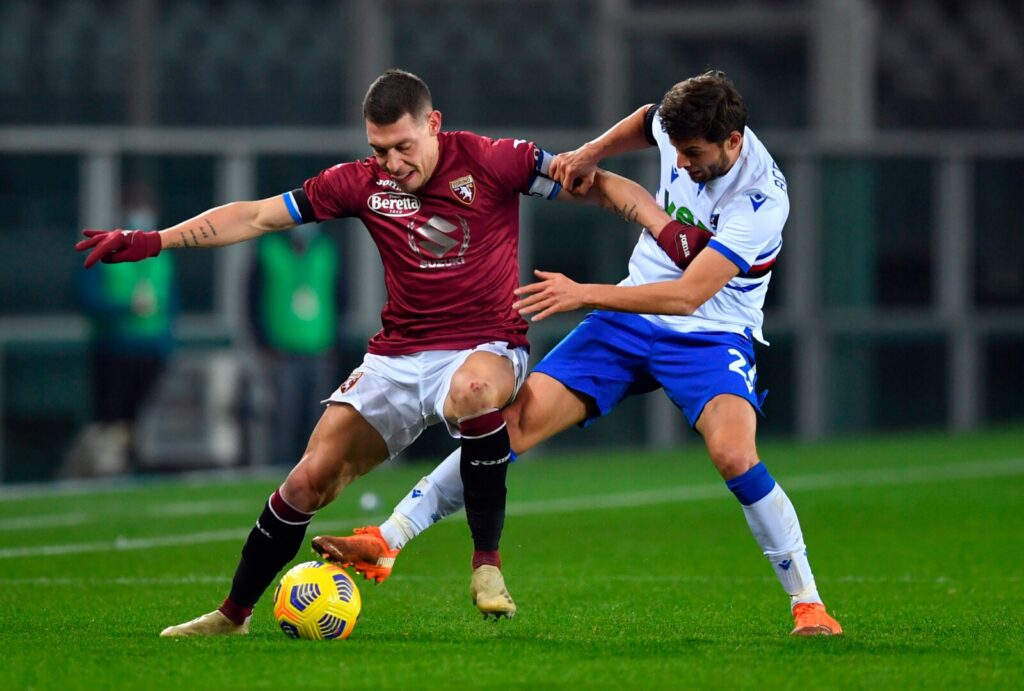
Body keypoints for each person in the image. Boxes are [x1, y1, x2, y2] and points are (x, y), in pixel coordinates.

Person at [75, 69, 674, 633]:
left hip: (485, 345)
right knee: (307, 482)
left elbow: (599, 185)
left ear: (433, 124)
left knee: (473, 393)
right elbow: (256, 217)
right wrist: (153, 240)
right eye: (379, 149)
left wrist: (666, 230)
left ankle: (486, 563)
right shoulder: (360, 182)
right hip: (397, 357)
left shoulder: (492, 160)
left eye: (403, 147)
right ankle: (233, 614)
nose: (391, 163)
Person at [312, 71, 844, 637]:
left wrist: (583, 293)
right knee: (510, 426)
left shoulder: (760, 201)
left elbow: (688, 296)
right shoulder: (682, 126)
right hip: (629, 320)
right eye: (677, 151)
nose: (681, 164)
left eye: (693, 155)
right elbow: (647, 120)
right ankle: (387, 539)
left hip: (710, 332)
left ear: (733, 142)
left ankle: (808, 603)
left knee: (734, 455)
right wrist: (591, 152)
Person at [76, 183, 177, 473]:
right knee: (109, 424)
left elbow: (171, 304)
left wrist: (167, 346)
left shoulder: (163, 254)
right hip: (114, 349)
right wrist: (126, 309)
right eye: (135, 209)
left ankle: (135, 472)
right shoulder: (103, 251)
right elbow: (87, 300)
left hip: (152, 351)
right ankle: (101, 474)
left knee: (141, 424)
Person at [248, 225, 341, 465]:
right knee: (283, 417)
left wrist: (335, 342)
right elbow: (251, 299)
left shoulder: (325, 250)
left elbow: (340, 297)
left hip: (319, 349)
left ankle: (314, 470)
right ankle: (279, 471)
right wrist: (262, 342)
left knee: (318, 419)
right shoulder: (269, 250)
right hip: (282, 352)